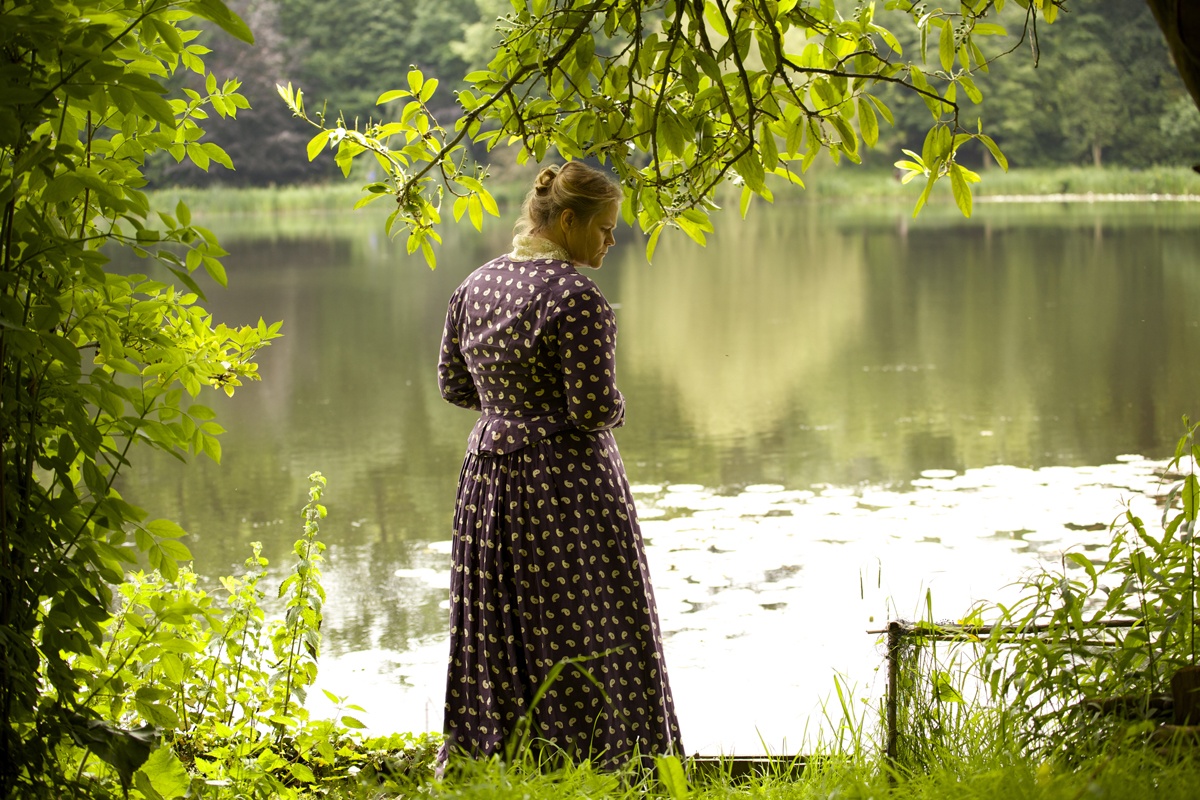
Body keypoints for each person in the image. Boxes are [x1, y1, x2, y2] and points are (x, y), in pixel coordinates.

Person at [437, 162, 683, 768]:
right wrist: (615, 405)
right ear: (567, 221)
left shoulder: (476, 285)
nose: (611, 239)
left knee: (498, 622)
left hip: (489, 479)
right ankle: (607, 763)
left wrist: (510, 409)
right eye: (604, 227)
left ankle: (502, 761)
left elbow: (454, 386)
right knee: (591, 620)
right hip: (562, 482)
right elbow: (593, 408)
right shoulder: (578, 298)